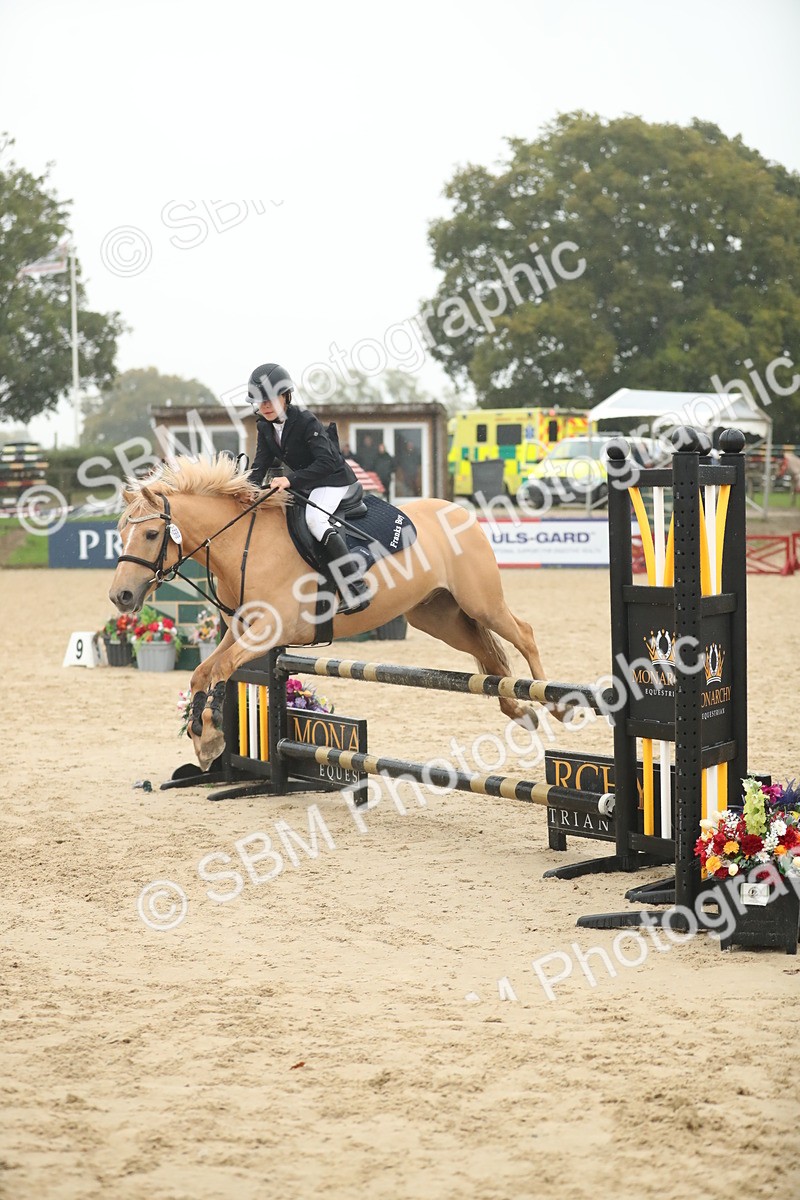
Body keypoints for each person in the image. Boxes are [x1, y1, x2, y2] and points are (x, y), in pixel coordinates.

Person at [247, 362, 371, 613]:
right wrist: (245, 489)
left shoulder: (305, 421)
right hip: (307, 483)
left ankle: (356, 586)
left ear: (285, 396)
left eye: (270, 400)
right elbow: (259, 465)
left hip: (333, 480)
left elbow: (326, 462)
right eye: (260, 401)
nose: (265, 407)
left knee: (315, 520)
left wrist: (290, 480)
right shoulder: (264, 427)